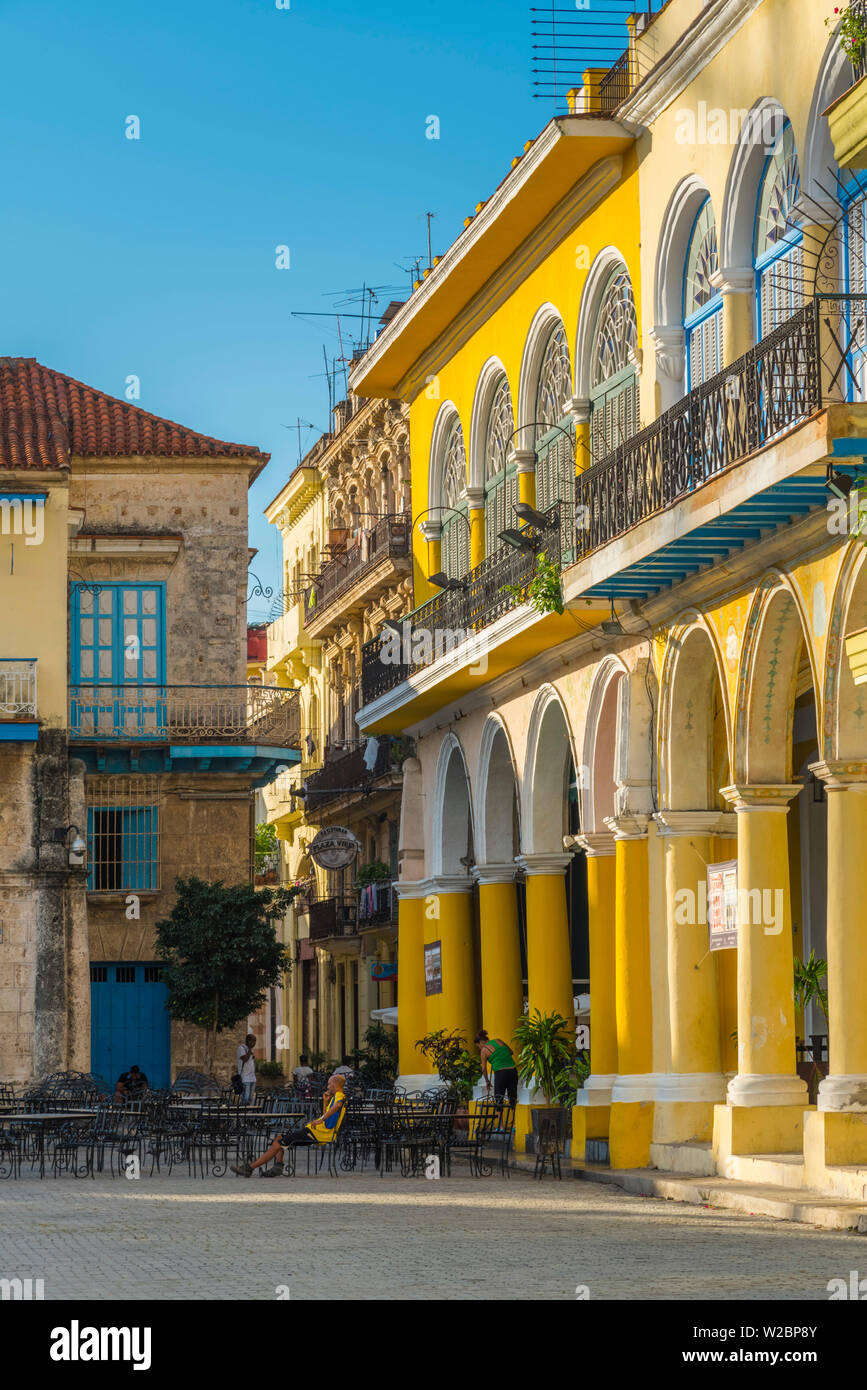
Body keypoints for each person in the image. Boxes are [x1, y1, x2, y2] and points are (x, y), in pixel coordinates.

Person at [231, 1073, 346, 1177]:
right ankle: (278, 1166)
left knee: (279, 1144)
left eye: (329, 1084)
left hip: (316, 1134)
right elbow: (328, 1115)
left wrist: (320, 1120)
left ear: (336, 1084)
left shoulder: (340, 1096)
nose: (327, 1087)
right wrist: (325, 1102)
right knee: (279, 1138)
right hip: (313, 1132)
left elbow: (337, 1106)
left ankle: (250, 1168)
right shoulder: (334, 1097)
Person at [475, 1029, 518, 1109]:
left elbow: (483, 1068)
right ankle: (514, 1121)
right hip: (513, 1071)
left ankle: (499, 1121)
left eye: (478, 1047)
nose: (480, 1048)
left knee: (499, 1098)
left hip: (501, 1073)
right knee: (512, 1097)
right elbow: (511, 1052)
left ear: (480, 1042)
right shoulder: (499, 1040)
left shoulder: (484, 1050)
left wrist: (487, 1081)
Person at [236, 1033, 256, 1105]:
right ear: (247, 1041)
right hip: (245, 1078)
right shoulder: (241, 1048)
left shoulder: (250, 1050)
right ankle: (242, 1111)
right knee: (245, 1097)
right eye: (252, 1041)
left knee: (250, 1098)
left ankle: (247, 1112)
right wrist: (249, 1052)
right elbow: (244, 1059)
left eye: (255, 1041)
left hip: (252, 1077)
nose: (254, 1043)